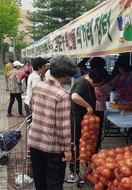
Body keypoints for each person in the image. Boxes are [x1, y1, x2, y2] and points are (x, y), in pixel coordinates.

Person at [28, 55, 76, 190]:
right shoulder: (62, 95)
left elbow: (32, 109)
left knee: (40, 182)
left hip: (35, 143)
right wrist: (67, 150)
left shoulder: (38, 86)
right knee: (54, 184)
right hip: (53, 147)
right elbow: (63, 126)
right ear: (66, 74)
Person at [68, 67, 109, 182]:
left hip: (84, 122)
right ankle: (73, 172)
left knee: (84, 146)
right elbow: (74, 96)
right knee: (75, 146)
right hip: (76, 120)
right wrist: (88, 106)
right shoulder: (81, 83)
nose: (100, 85)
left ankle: (84, 171)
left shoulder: (89, 84)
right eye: (100, 82)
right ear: (97, 79)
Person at [90, 57, 111, 153]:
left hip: (89, 107)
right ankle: (95, 149)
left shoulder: (88, 76)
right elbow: (108, 93)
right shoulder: (103, 78)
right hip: (100, 108)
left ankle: (89, 149)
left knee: (89, 130)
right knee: (97, 131)